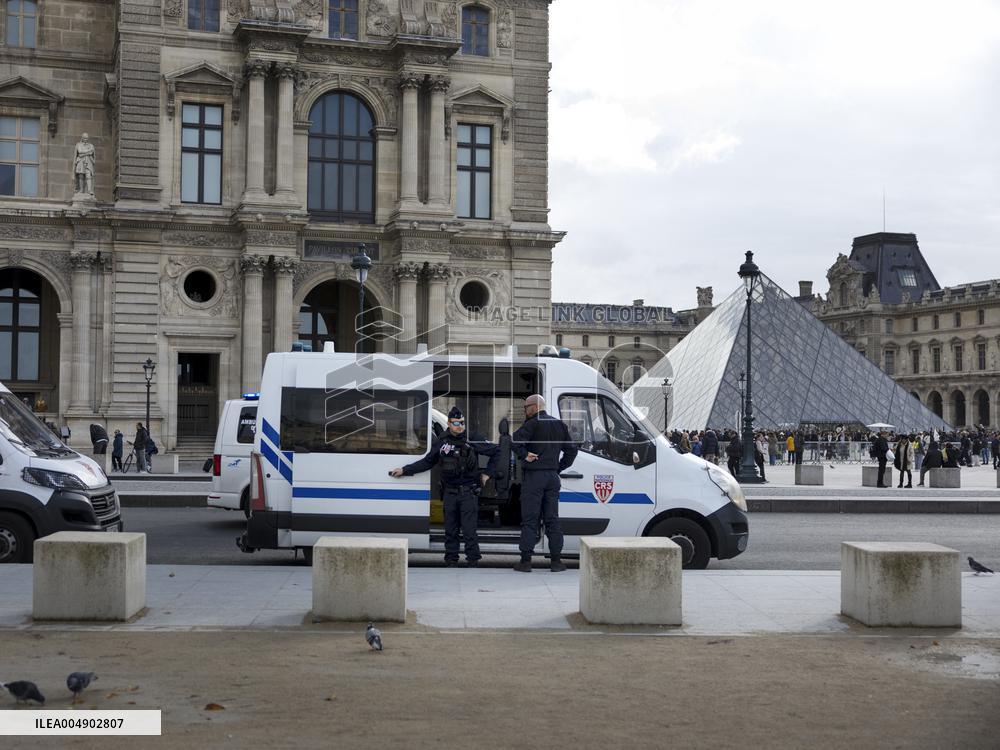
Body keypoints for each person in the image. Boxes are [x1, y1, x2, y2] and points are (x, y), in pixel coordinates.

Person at [390, 407, 498, 567]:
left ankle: (473, 560)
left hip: (468, 493)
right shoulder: (442, 441)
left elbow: (497, 451)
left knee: (469, 530)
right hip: (450, 493)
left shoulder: (473, 438)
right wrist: (405, 470)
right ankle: (451, 560)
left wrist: (487, 474)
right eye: (456, 423)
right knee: (451, 529)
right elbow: (427, 462)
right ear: (448, 423)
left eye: (462, 423)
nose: (460, 426)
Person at [511, 395, 577, 573]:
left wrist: (525, 455)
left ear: (534, 407)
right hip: (552, 477)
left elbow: (514, 441)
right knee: (552, 519)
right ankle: (556, 562)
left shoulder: (532, 423)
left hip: (534, 477)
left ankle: (525, 561)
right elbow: (572, 451)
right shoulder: (559, 425)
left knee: (530, 519)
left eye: (526, 407)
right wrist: (558, 468)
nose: (525, 411)